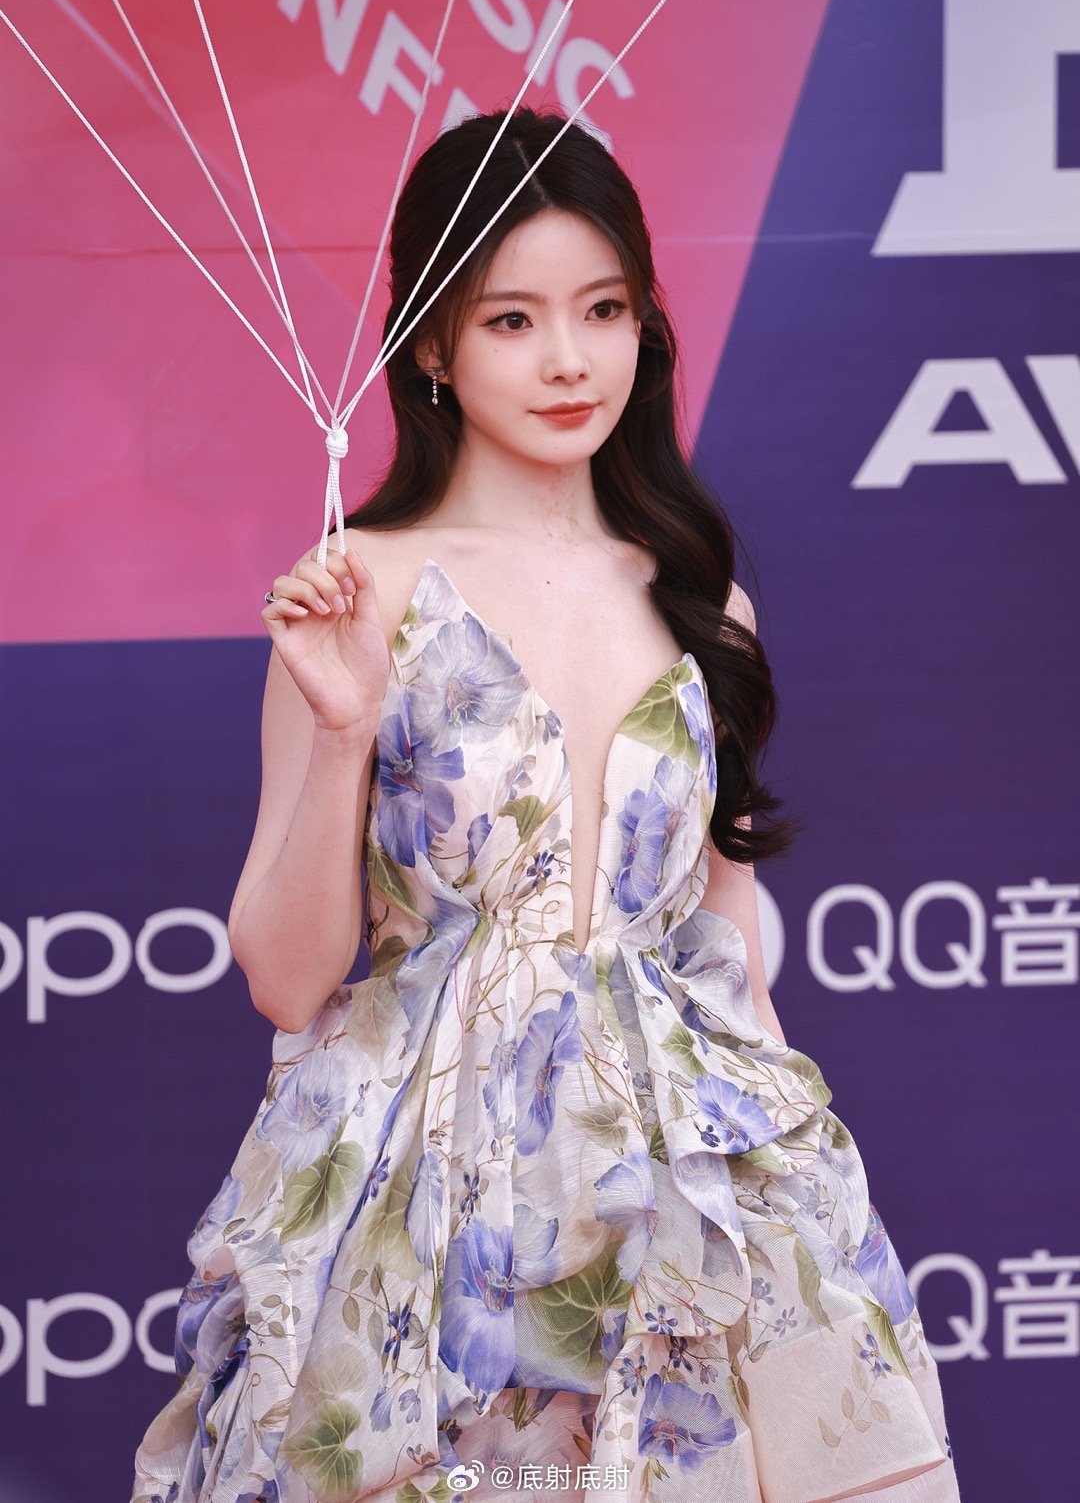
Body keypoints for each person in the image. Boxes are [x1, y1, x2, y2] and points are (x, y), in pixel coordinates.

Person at [132, 107, 960, 1503]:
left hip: (677, 1184)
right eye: (512, 320)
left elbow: (730, 948)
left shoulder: (696, 592)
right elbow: (285, 979)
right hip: (429, 1193)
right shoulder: (363, 585)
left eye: (605, 309)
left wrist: (804, 1186)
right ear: (433, 346)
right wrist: (343, 732)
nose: (570, 358)